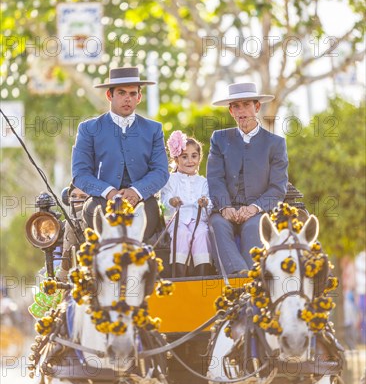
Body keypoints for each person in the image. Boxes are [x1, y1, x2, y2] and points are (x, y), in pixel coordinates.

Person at [72, 66, 169, 240]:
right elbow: (80, 174)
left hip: (143, 202)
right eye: (122, 93)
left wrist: (136, 191)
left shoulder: (153, 129)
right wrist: (109, 192)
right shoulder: (88, 129)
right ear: (109, 95)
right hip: (100, 201)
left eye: (133, 94)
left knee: (139, 232)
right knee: (107, 234)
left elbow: (161, 172)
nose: (127, 99)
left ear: (139, 97)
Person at [207, 82, 288, 275]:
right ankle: (240, 277)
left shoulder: (275, 143)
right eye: (236, 106)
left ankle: (252, 281)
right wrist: (225, 206)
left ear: (257, 107)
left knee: (255, 227)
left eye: (246, 105)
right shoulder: (219, 139)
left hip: (257, 210)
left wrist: (254, 208)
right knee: (217, 224)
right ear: (230, 111)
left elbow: (278, 188)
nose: (241, 110)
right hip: (226, 209)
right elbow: (215, 178)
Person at [161, 130, 212, 277]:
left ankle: (202, 272)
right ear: (176, 159)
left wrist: (205, 202)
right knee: (182, 233)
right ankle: (178, 274)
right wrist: (172, 201)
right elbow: (165, 199)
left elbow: (209, 202)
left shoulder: (203, 182)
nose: (190, 161)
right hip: (177, 219)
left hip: (197, 218)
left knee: (202, 232)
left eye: (194, 156)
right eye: (184, 156)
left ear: (199, 158)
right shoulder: (171, 179)